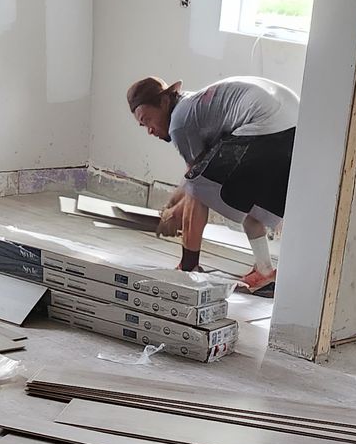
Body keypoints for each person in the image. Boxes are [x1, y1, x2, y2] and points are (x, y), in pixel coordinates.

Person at [126, 74, 298, 294]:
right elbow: (193, 174)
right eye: (142, 125)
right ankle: (265, 272)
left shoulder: (179, 123)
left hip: (267, 126)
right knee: (249, 199)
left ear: (164, 102)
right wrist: (169, 208)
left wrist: (175, 215)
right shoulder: (190, 106)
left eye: (147, 119)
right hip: (292, 126)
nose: (149, 130)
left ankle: (188, 268)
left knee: (201, 188)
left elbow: (195, 183)